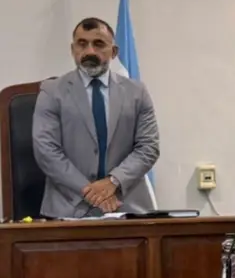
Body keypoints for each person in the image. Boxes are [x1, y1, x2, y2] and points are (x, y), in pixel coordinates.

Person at [32, 17, 160, 218]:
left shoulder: (136, 92)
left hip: (126, 206)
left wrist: (113, 182)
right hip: (68, 207)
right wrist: (90, 192)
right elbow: (46, 150)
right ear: (73, 49)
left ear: (114, 52)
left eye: (99, 44)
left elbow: (148, 147)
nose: (89, 51)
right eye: (82, 44)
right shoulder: (51, 91)